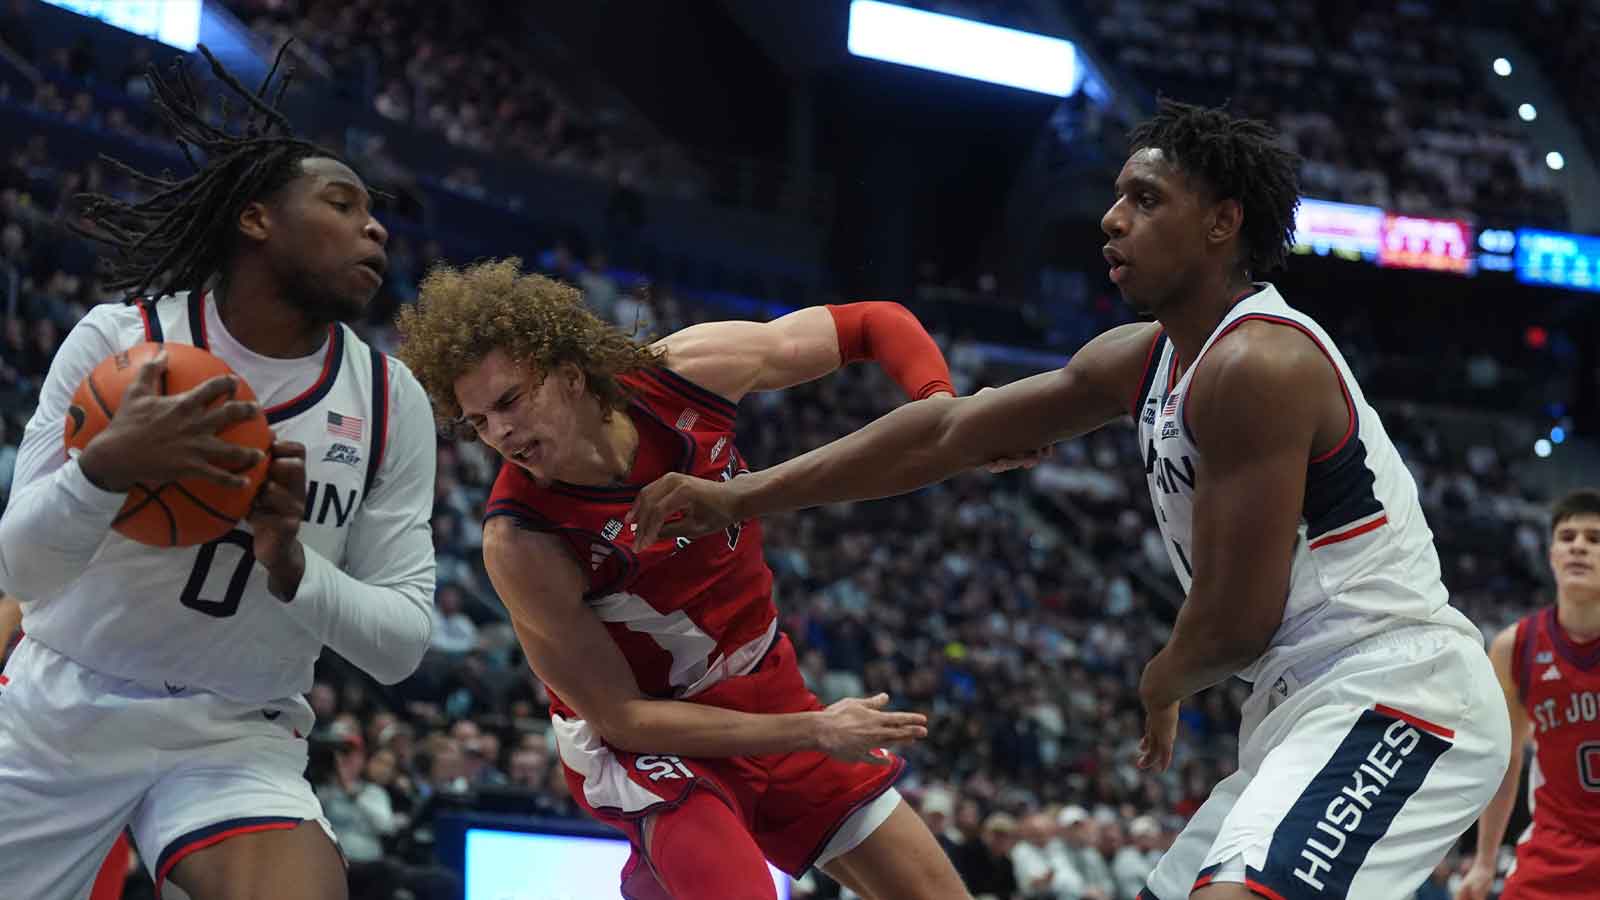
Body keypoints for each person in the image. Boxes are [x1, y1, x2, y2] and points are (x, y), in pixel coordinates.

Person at [627, 99, 1512, 900]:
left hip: (1399, 686)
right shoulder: (1147, 358)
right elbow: (944, 433)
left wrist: (1161, 679)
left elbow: (1235, 623)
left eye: (1146, 199)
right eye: (1118, 197)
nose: (1111, 219)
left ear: (1223, 222)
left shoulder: (1257, 363)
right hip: (1300, 699)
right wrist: (740, 495)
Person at [0, 45, 437, 900]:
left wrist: (295, 567)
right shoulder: (116, 341)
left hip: (236, 731)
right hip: (62, 706)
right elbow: (19, 569)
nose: (374, 228)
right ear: (255, 218)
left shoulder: (391, 399)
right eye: (342, 204)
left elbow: (401, 645)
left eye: (374, 214)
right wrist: (105, 472)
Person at [393, 257, 974, 900]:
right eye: (478, 421)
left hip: (761, 684)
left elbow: (871, 323)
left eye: (509, 401)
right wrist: (812, 730)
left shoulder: (683, 373)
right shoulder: (521, 538)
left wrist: (937, 407)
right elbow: (626, 719)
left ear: (568, 373)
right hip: (651, 741)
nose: (500, 431)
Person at [1456, 489, 1600, 900]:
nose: (1579, 547)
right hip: (1555, 850)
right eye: (1568, 537)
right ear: (1551, 553)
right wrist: (1484, 862)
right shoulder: (1514, 647)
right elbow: (1505, 760)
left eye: (1594, 539)